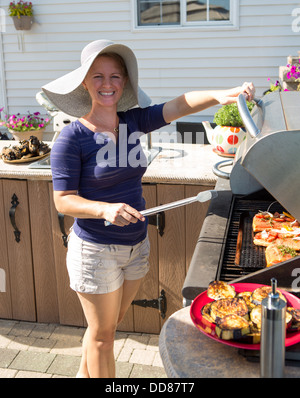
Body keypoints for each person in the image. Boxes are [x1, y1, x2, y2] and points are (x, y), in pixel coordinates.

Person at [42, 39, 255, 378]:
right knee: (104, 338)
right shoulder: (72, 138)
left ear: (124, 82)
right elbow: (63, 200)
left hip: (136, 245)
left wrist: (221, 95)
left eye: (115, 76)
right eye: (97, 76)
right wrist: (103, 210)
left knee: (106, 330)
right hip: (96, 250)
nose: (107, 84)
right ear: (84, 82)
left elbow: (178, 105)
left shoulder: (132, 122)